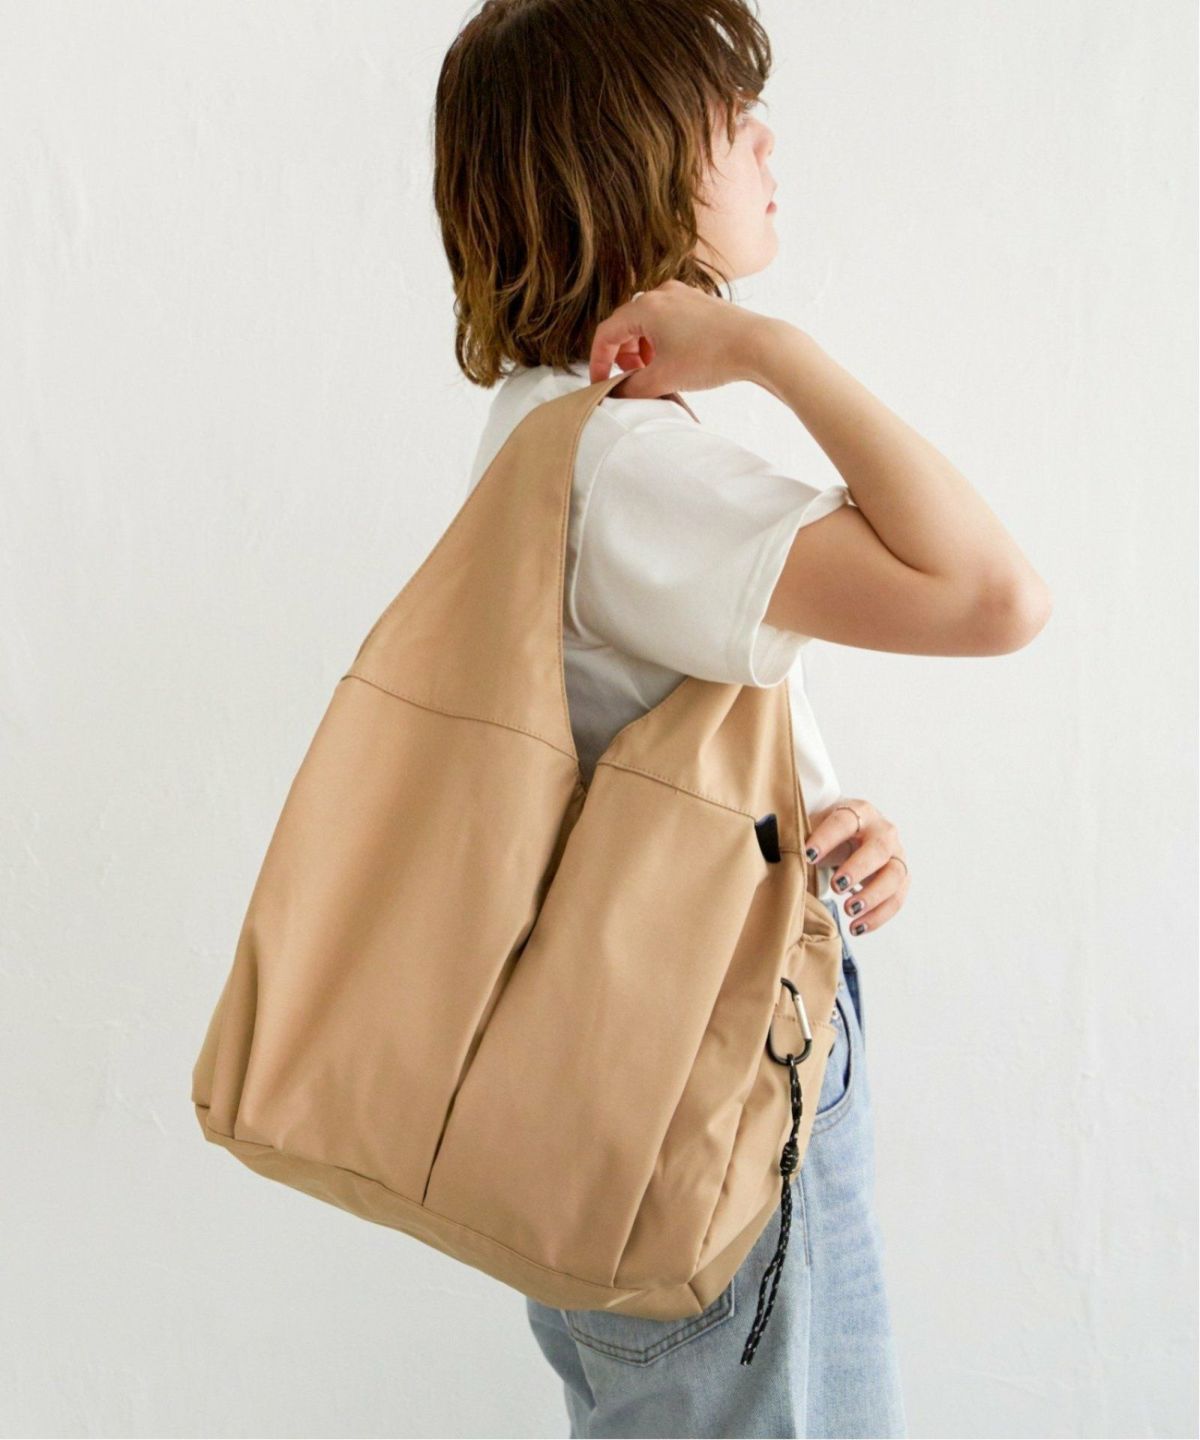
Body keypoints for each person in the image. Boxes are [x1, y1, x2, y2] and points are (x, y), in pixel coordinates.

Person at [432, 2, 1052, 1435]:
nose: (766, 139)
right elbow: (996, 594)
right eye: (727, 115)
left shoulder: (541, 426)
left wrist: (814, 821)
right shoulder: (629, 467)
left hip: (626, 1083)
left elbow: (634, 742)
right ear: (632, 160)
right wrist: (771, 349)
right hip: (719, 1079)